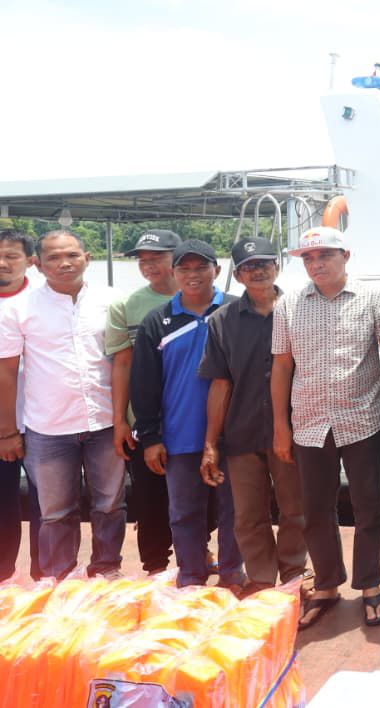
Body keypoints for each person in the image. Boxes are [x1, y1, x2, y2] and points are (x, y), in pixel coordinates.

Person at [271, 226, 380, 629]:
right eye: (308, 258)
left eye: (324, 255)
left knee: (368, 507)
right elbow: (281, 366)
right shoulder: (289, 304)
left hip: (361, 419)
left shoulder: (371, 299)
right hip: (309, 424)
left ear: (346, 256)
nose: (316, 264)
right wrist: (280, 425)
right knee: (314, 511)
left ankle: (370, 585)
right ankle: (326, 586)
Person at [0, 230, 124, 579]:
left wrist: (125, 419)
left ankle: (106, 570)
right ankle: (59, 580)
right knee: (55, 512)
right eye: (53, 257)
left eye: (72, 255)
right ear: (38, 265)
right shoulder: (17, 309)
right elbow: (7, 373)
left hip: (104, 421)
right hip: (48, 427)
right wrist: (8, 432)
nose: (64, 263)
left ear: (88, 257)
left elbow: (124, 362)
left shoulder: (112, 300)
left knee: (111, 504)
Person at [131, 240, 244, 589]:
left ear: (217, 270)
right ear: (174, 272)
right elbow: (144, 384)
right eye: (184, 268)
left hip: (236, 433)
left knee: (234, 511)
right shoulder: (158, 320)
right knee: (183, 513)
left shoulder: (237, 310)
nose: (192, 275)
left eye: (201, 267)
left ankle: (231, 574)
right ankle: (191, 576)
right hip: (179, 435)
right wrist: (150, 437)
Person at [198, 237, 307, 594]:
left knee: (296, 509)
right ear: (237, 273)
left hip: (294, 430)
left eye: (264, 263)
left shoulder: (299, 309)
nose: (257, 270)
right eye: (248, 266)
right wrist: (211, 443)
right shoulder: (222, 320)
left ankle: (293, 576)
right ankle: (261, 579)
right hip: (241, 432)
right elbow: (219, 383)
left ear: (277, 266)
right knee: (247, 516)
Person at [106, 228, 182, 575]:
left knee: (201, 495)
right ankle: (155, 565)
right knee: (150, 498)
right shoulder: (126, 305)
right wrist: (121, 419)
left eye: (158, 258)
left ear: (177, 258)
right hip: (146, 419)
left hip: (194, 417)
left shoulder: (209, 300)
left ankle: (197, 554)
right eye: (143, 260)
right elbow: (122, 364)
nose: (149, 265)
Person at [0, 229, 40, 580]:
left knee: (49, 506)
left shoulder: (42, 300)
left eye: (11, 255)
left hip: (43, 421)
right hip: (1, 424)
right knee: (2, 504)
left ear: (30, 261)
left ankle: (49, 575)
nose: (2, 262)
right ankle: (4, 576)